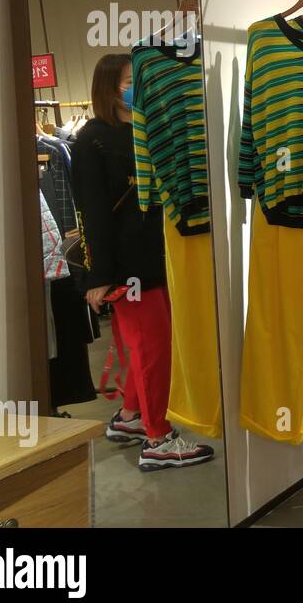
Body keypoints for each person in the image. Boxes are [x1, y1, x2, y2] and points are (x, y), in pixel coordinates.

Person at [70, 53, 213, 471]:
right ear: (108, 87)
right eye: (129, 80)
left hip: (157, 256)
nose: (136, 87)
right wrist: (98, 277)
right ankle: (158, 437)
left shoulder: (147, 129)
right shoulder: (92, 140)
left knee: (153, 345)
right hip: (125, 266)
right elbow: (91, 213)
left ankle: (132, 418)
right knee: (152, 349)